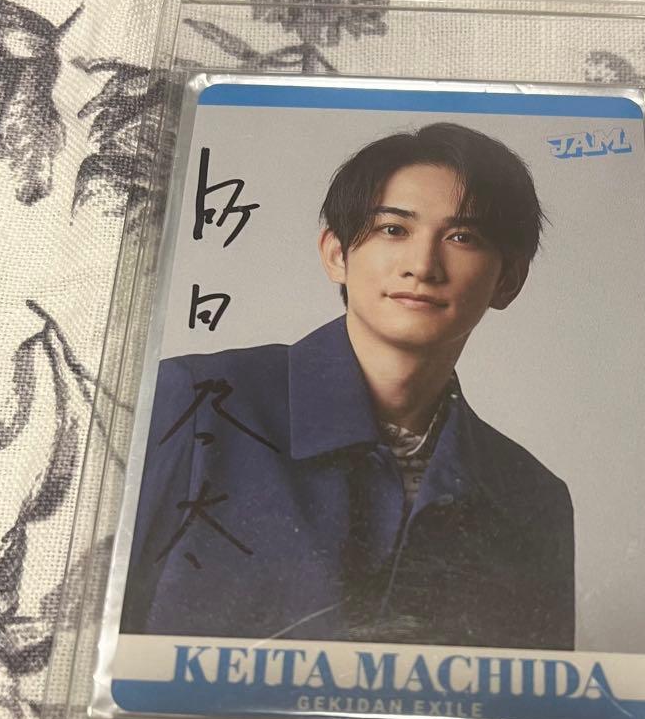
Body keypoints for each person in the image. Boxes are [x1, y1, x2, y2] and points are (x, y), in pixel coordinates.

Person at [121, 122, 575, 650]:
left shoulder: (532, 496)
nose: (422, 266)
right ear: (336, 254)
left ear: (508, 281)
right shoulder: (197, 400)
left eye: (462, 238)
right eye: (393, 230)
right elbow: (94, 634)